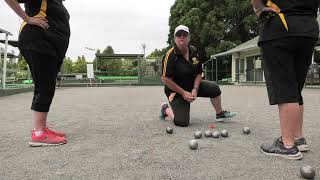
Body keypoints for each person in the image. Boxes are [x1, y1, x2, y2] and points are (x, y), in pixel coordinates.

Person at [251, 0, 319, 159]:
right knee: (295, 88)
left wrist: (259, 8)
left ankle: (287, 145)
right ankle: (298, 138)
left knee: (285, 86)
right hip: (308, 29)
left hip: (281, 25)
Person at [4, 0, 70, 146]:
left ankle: (41, 129)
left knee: (46, 84)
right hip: (38, 40)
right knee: (45, 85)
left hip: (50, 44)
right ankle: (39, 134)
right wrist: (27, 18)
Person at [160, 25, 236, 127]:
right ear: (174, 38)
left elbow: (199, 72)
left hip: (191, 85)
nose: (182, 37)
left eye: (185, 35)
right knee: (182, 122)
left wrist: (195, 89)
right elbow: (165, 78)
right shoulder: (169, 55)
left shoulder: (194, 52)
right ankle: (165, 109)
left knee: (214, 88)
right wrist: (183, 93)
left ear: (189, 38)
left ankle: (220, 113)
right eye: (179, 35)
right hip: (175, 90)